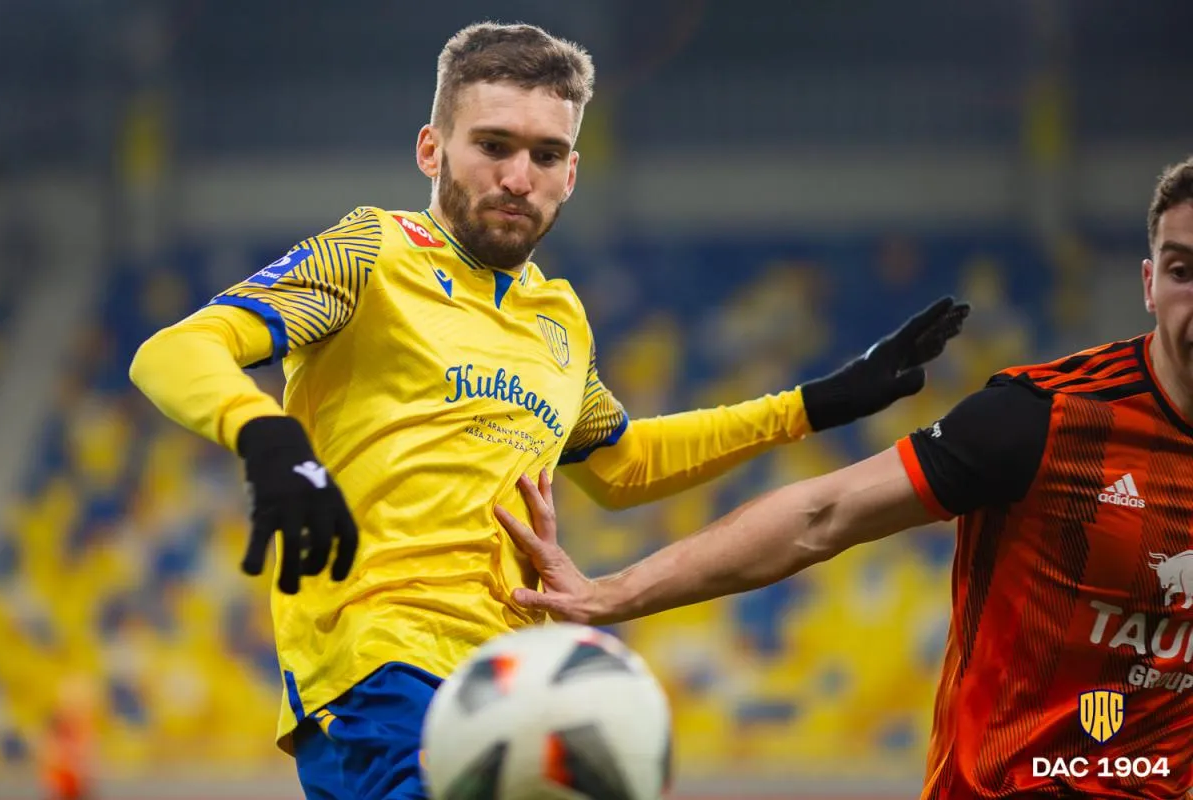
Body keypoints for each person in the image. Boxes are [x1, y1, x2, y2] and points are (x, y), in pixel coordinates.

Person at [129, 21, 967, 800]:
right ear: (432, 149)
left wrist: (814, 405)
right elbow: (174, 350)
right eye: (492, 145)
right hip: (379, 670)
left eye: (545, 153)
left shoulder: (557, 319)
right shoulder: (372, 253)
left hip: (511, 683)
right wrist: (268, 436)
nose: (517, 177)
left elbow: (620, 464)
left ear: (571, 173)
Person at [498, 157, 1193, 800]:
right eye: (1183, 270)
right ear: (1148, 284)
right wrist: (609, 594)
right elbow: (820, 514)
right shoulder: (1046, 418)